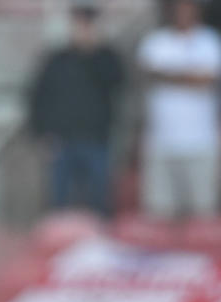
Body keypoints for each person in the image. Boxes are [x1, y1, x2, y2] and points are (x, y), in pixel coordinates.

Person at [28, 0, 124, 217]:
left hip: (96, 140)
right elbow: (38, 98)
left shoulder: (107, 57)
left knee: (99, 205)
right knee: (59, 208)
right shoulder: (56, 60)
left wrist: (92, 52)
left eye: (87, 23)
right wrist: (41, 134)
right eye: (78, 23)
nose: (82, 29)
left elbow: (117, 84)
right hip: (61, 142)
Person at [137, 0, 221, 218]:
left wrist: (167, 75)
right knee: (159, 213)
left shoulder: (209, 41)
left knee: (202, 212)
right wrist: (189, 74)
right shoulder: (156, 42)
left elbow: (206, 80)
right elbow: (147, 74)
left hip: (200, 142)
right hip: (162, 142)